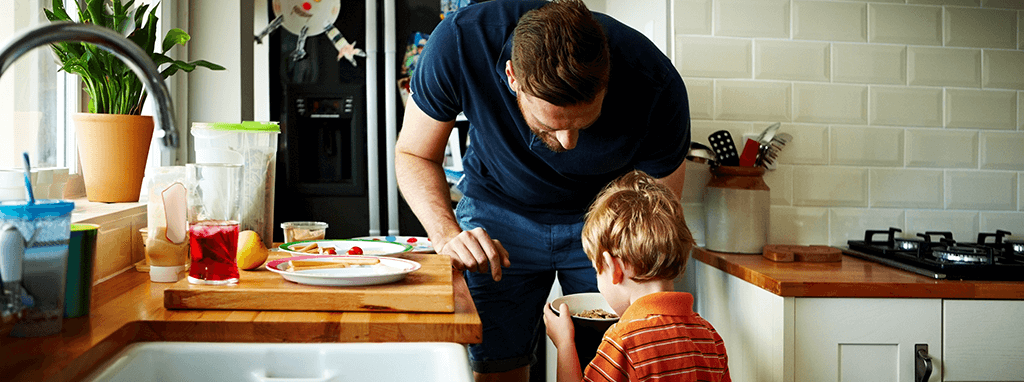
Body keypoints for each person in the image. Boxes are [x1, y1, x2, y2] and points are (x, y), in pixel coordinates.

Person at [394, 0, 690, 380]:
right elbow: (414, 152)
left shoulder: (654, 83)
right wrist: (447, 235)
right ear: (512, 77)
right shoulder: (460, 41)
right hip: (495, 216)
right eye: (550, 127)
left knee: (609, 365)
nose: (568, 143)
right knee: (494, 363)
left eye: (583, 124)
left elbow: (655, 216)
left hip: (602, 227)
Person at [543, 170, 730, 382]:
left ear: (613, 267)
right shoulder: (710, 337)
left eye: (597, 270)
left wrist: (565, 343)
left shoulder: (623, 341)